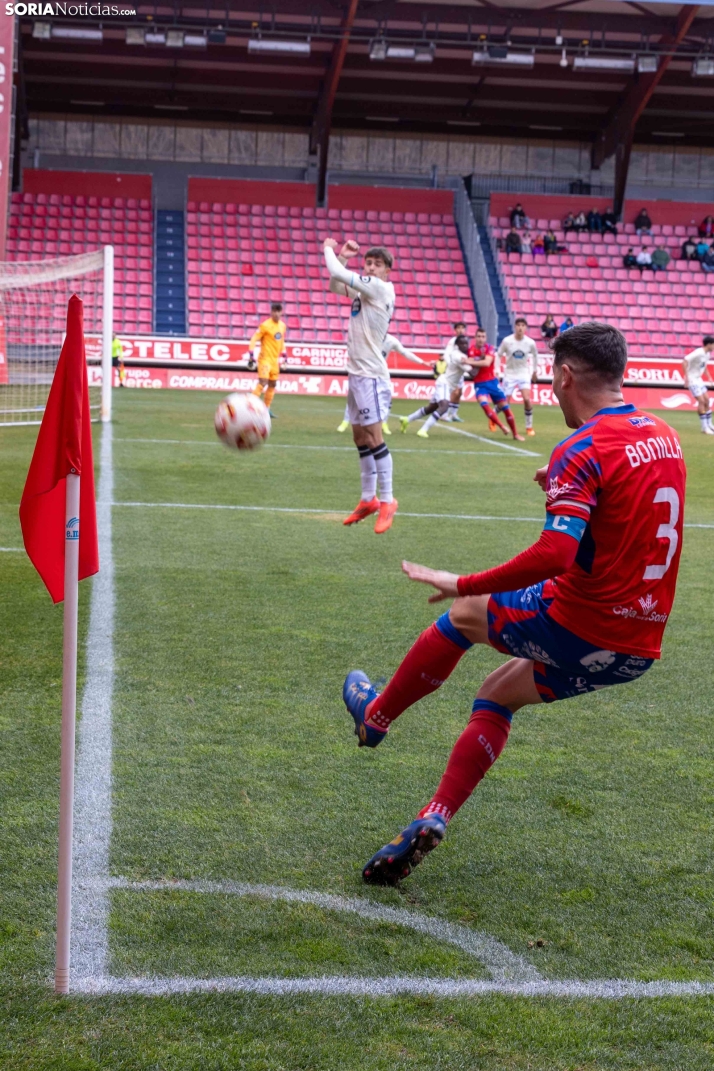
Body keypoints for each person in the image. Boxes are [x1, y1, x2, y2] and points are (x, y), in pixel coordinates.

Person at [343, 322, 686, 886]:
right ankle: (435, 815)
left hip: (580, 622)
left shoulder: (582, 446)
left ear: (566, 374)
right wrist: (567, 484)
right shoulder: (666, 436)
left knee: (462, 615)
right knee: (498, 694)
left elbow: (556, 553)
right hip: (636, 648)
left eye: (554, 377)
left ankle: (375, 719)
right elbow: (633, 503)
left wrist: (465, 581)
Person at [323, 238, 398, 534]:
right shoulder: (365, 291)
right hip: (356, 373)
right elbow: (334, 284)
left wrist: (328, 249)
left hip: (371, 375)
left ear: (387, 271)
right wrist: (343, 256)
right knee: (358, 436)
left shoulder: (379, 288)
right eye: (368, 263)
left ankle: (388, 500)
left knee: (374, 436)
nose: (370, 267)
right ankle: (368, 499)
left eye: (377, 264)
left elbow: (337, 273)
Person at [337, 335, 429, 433]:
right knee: (355, 398)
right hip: (365, 373)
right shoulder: (368, 337)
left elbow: (405, 352)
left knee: (387, 401)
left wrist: (422, 362)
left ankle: (384, 423)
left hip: (381, 374)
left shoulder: (391, 341)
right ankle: (345, 421)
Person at [400, 336, 474, 439]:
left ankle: (406, 419)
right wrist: (483, 363)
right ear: (457, 346)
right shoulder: (458, 356)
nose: (465, 346)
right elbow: (473, 373)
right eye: (462, 343)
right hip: (444, 383)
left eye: (466, 343)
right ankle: (423, 430)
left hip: (448, 385)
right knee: (444, 406)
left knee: (431, 408)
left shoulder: (461, 355)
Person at [468, 328, 521, 440]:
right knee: (484, 404)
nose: (481, 339)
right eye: (478, 336)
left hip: (492, 382)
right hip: (479, 384)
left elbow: (487, 363)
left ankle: (515, 434)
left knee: (505, 407)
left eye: (483, 336)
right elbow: (472, 371)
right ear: (475, 338)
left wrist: (470, 361)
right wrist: (472, 364)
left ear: (486, 338)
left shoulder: (490, 348)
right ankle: (502, 427)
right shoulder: (471, 350)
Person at [497, 317, 539, 437]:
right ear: (515, 327)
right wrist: (496, 370)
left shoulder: (530, 342)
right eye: (518, 325)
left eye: (522, 325)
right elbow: (499, 355)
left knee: (526, 399)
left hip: (523, 373)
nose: (520, 327)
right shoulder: (507, 341)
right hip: (509, 373)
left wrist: (534, 371)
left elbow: (535, 356)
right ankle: (494, 418)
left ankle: (529, 427)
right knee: (504, 402)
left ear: (525, 328)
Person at [250, 302, 286, 416]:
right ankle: (250, 405)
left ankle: (266, 409)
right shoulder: (265, 325)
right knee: (263, 382)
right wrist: (251, 354)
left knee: (272, 384)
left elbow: (281, 341)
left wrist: (284, 354)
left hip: (274, 361)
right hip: (265, 359)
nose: (276, 314)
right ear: (271, 312)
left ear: (281, 312)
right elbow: (253, 339)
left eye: (278, 311)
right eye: (274, 311)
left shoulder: (282, 326)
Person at [682, 336, 714, 433]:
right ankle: (704, 427)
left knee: (707, 401)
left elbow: (704, 366)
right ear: (708, 344)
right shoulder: (698, 352)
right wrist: (686, 377)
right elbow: (685, 361)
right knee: (701, 401)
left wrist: (709, 377)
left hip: (699, 379)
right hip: (692, 380)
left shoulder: (707, 354)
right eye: (713, 344)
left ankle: (709, 424)